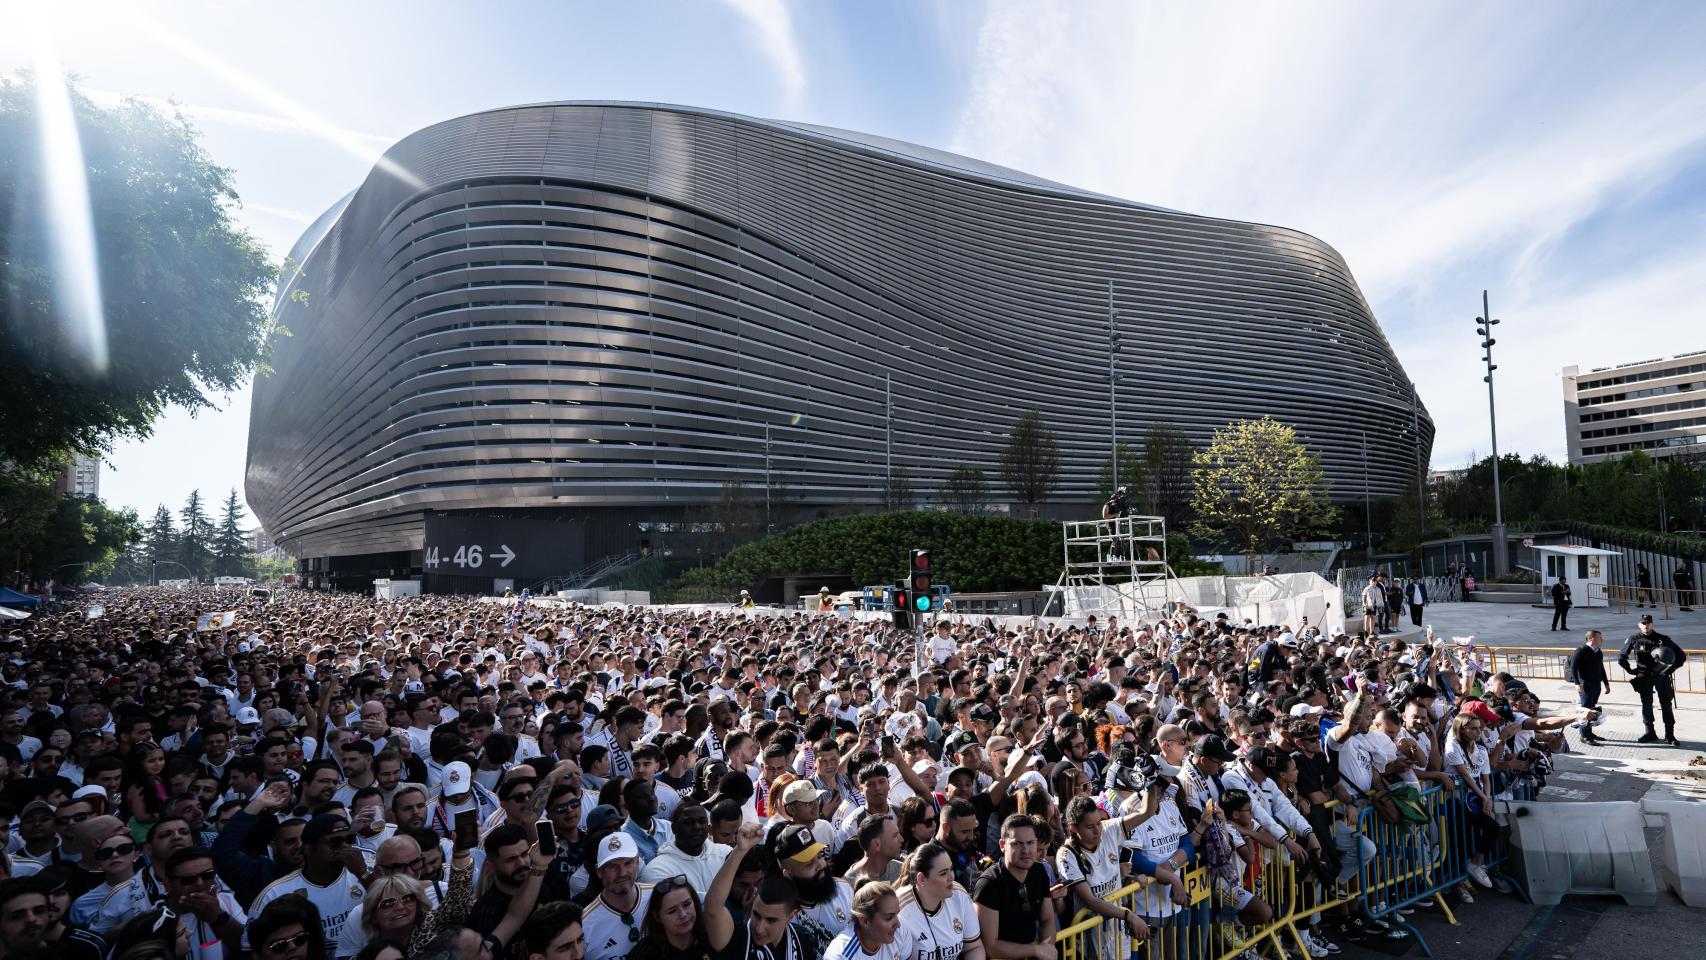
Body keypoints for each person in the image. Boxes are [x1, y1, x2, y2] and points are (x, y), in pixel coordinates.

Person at [970, 816, 1055, 960]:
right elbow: (990, 946)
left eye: (1030, 843)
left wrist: (1047, 947)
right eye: (1017, 844)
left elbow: (1047, 919)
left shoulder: (1039, 872)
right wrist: (1035, 950)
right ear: (1002, 845)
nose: (1026, 850)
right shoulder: (989, 884)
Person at [893, 843, 982, 960]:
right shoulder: (899, 908)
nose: (951, 877)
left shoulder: (959, 895)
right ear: (921, 879)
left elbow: (974, 947)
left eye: (951, 869)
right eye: (943, 873)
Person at [1619, 615, 1686, 745]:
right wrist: (1632, 671)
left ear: (1652, 625)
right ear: (1639, 625)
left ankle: (1670, 735)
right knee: (1647, 704)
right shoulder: (1634, 639)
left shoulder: (1663, 639)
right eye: (1643, 623)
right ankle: (1650, 732)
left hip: (1661, 676)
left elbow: (1681, 656)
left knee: (1666, 704)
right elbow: (1622, 657)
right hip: (1644, 676)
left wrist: (1669, 670)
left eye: (1648, 623)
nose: (1646, 625)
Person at [823, 882, 904, 960]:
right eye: (889, 917)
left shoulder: (900, 932)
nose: (898, 924)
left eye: (896, 914)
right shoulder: (841, 956)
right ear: (865, 921)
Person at [1567, 630, 1611, 745]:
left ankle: (1589, 733)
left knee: (1592, 709)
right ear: (1591, 638)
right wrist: (1577, 683)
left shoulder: (1598, 651)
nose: (1602, 640)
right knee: (1585, 710)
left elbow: (1601, 668)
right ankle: (1584, 736)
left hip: (1596, 684)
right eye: (1600, 637)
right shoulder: (1581, 650)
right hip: (1585, 684)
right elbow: (1573, 667)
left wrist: (1606, 684)